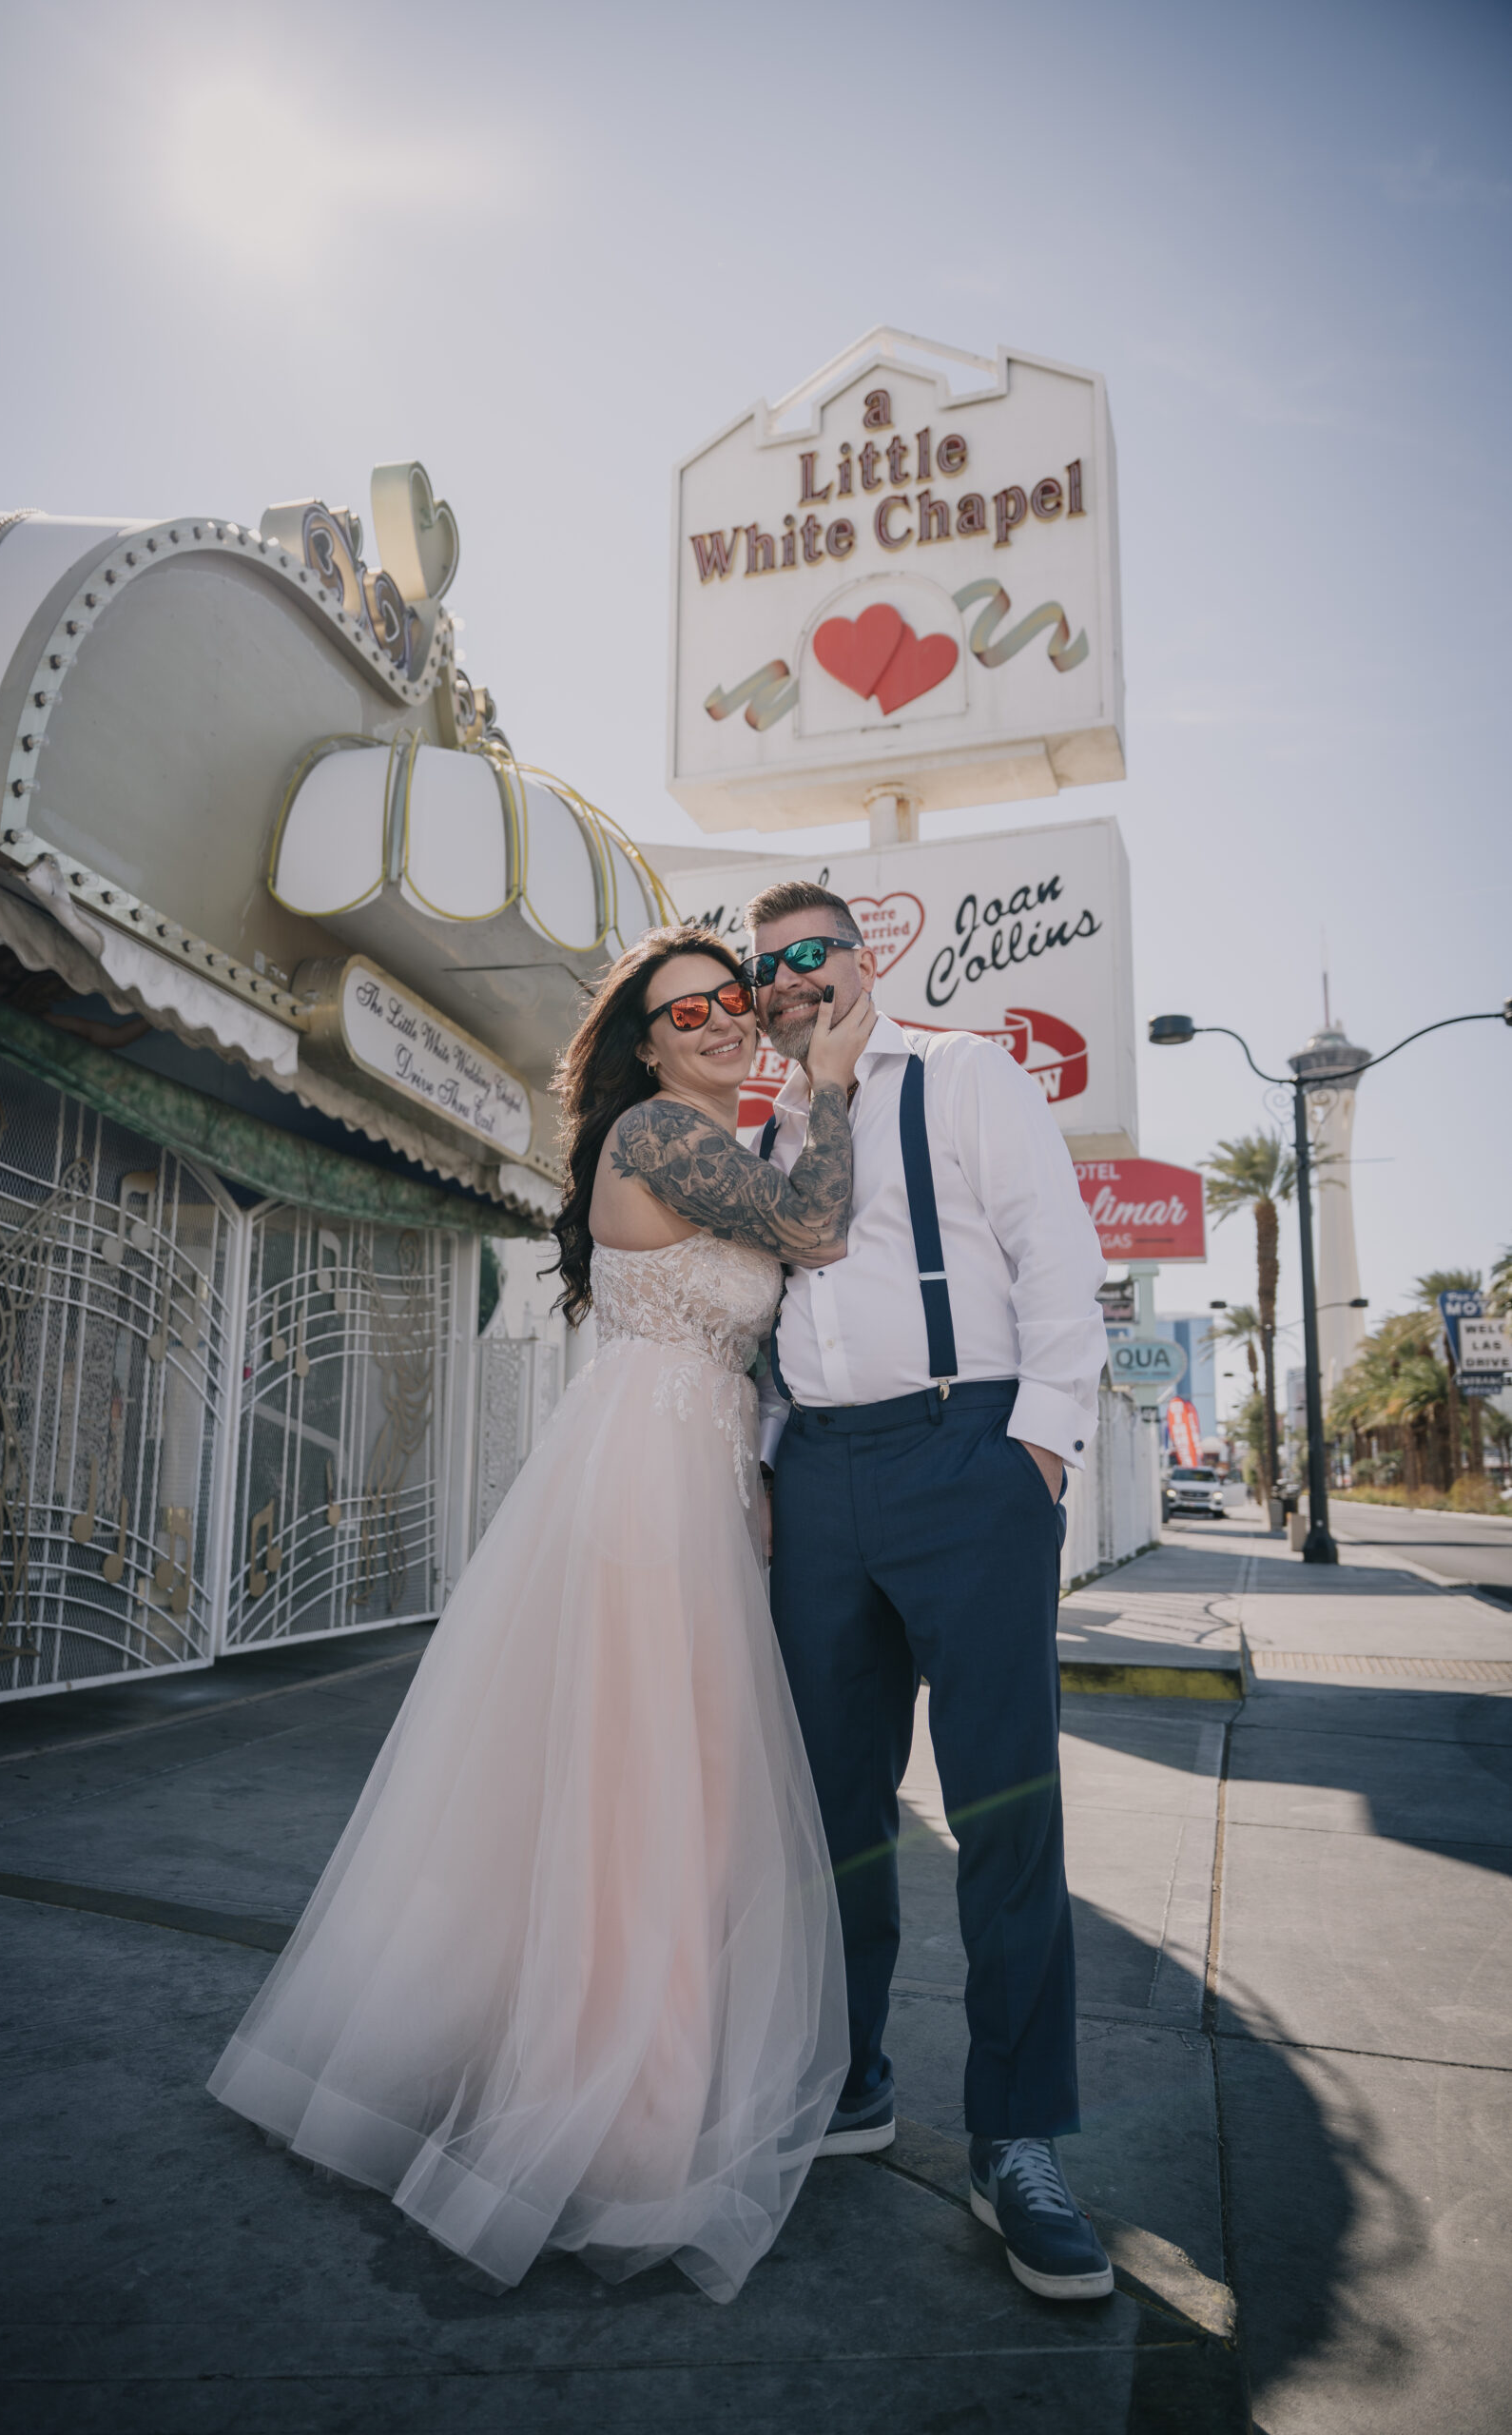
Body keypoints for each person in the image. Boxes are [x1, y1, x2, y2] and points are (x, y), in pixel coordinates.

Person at [209, 924, 872, 2303]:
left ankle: (598, 2058)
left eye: (730, 999)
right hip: (642, 1484)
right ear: (643, 1045)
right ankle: (618, 2110)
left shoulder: (713, 1144)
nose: (719, 1019)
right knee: (646, 1782)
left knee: (660, 1779)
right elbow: (815, 1229)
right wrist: (834, 1085)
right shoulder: (657, 1137)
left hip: (693, 1471)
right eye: (685, 1010)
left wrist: (755, 1474)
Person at [744, 878, 1115, 2303]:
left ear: (864, 958)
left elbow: (1059, 1262)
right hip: (819, 1477)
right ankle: (850, 2077)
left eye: (810, 953)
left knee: (1004, 1808)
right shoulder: (769, 1130)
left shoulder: (965, 1074)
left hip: (971, 1453)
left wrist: (1040, 1454)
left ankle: (1015, 2140)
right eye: (766, 969)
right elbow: (772, 1319)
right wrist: (768, 1466)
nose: (788, 981)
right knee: (833, 1806)